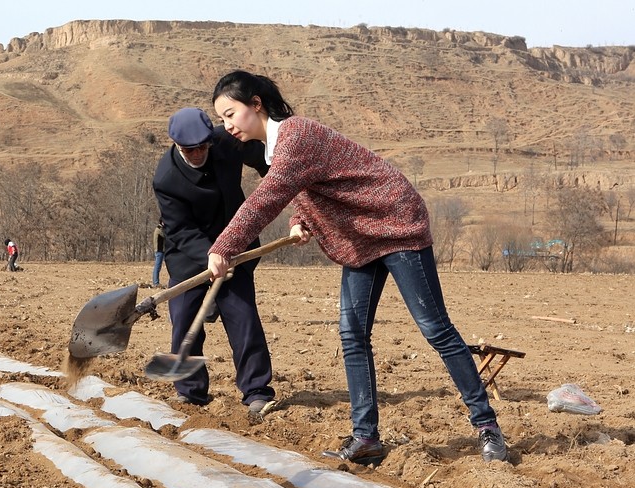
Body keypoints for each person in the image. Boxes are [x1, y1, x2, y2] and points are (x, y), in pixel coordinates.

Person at [206, 71, 507, 463]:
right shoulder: (276, 148)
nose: (227, 126)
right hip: (360, 236)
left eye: (231, 114)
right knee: (352, 335)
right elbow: (309, 184)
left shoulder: (294, 135)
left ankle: (487, 427)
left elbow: (265, 199)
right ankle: (366, 438)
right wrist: (302, 219)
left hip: (395, 222)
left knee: (435, 328)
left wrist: (224, 246)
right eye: (223, 119)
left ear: (256, 104)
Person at [153, 106, 276, 415]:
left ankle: (256, 390)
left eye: (202, 146)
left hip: (236, 245)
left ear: (210, 139)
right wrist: (210, 254)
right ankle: (190, 391)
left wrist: (276, 176)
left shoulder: (227, 142)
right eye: (189, 149)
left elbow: (263, 157)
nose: (197, 153)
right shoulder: (166, 178)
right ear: (177, 145)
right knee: (184, 321)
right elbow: (180, 229)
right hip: (189, 255)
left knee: (243, 317)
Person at [151, 220, 165, 287]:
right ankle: (155, 283)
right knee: (157, 267)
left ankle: (156, 282)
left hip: (162, 250)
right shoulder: (159, 229)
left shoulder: (161, 229)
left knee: (158, 267)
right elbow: (165, 236)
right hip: (159, 250)